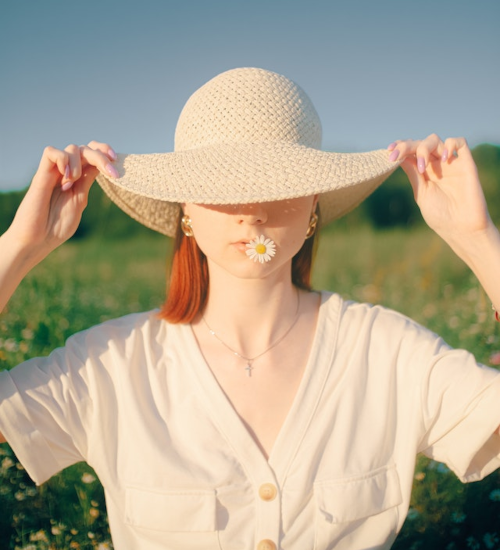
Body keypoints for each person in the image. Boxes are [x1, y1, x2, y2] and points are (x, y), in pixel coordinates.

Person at [0, 67, 499, 550]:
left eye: (281, 181)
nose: (252, 209)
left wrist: (478, 241)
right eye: (221, 184)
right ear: (185, 209)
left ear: (313, 207)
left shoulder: (389, 352)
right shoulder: (106, 364)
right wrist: (18, 249)